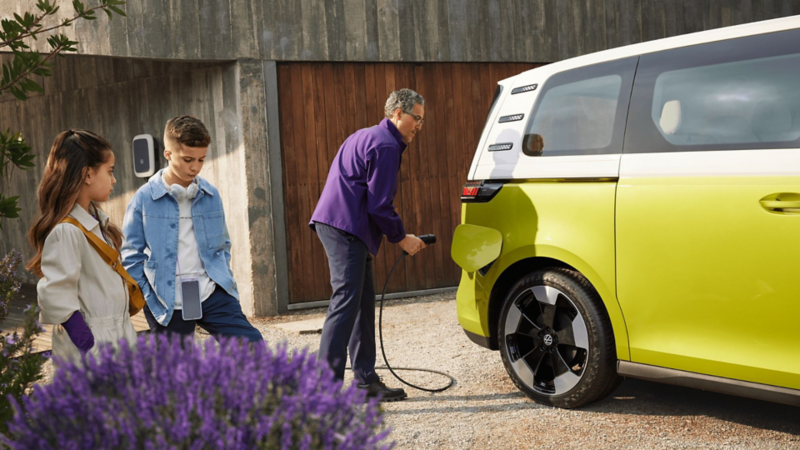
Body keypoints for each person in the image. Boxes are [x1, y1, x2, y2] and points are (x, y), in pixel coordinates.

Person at [310, 88, 428, 401]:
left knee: (361, 304)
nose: (419, 125)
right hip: (345, 227)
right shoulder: (387, 145)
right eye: (416, 118)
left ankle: (365, 382)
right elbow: (379, 205)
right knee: (346, 301)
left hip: (343, 226)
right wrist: (402, 238)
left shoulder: (365, 135)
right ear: (398, 113)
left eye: (422, 121)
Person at [121, 115, 262, 343]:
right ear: (168, 154)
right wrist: (148, 294)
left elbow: (223, 245)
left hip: (211, 292)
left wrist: (224, 282)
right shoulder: (144, 198)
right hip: (165, 299)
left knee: (252, 346)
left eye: (201, 159)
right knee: (178, 373)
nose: (195, 167)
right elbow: (130, 255)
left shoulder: (211, 195)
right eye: (188, 159)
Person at [28, 129, 137, 363]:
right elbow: (56, 294)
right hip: (94, 345)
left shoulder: (96, 224)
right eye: (110, 171)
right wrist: (88, 345)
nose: (114, 180)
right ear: (88, 174)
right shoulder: (67, 231)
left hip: (117, 336)